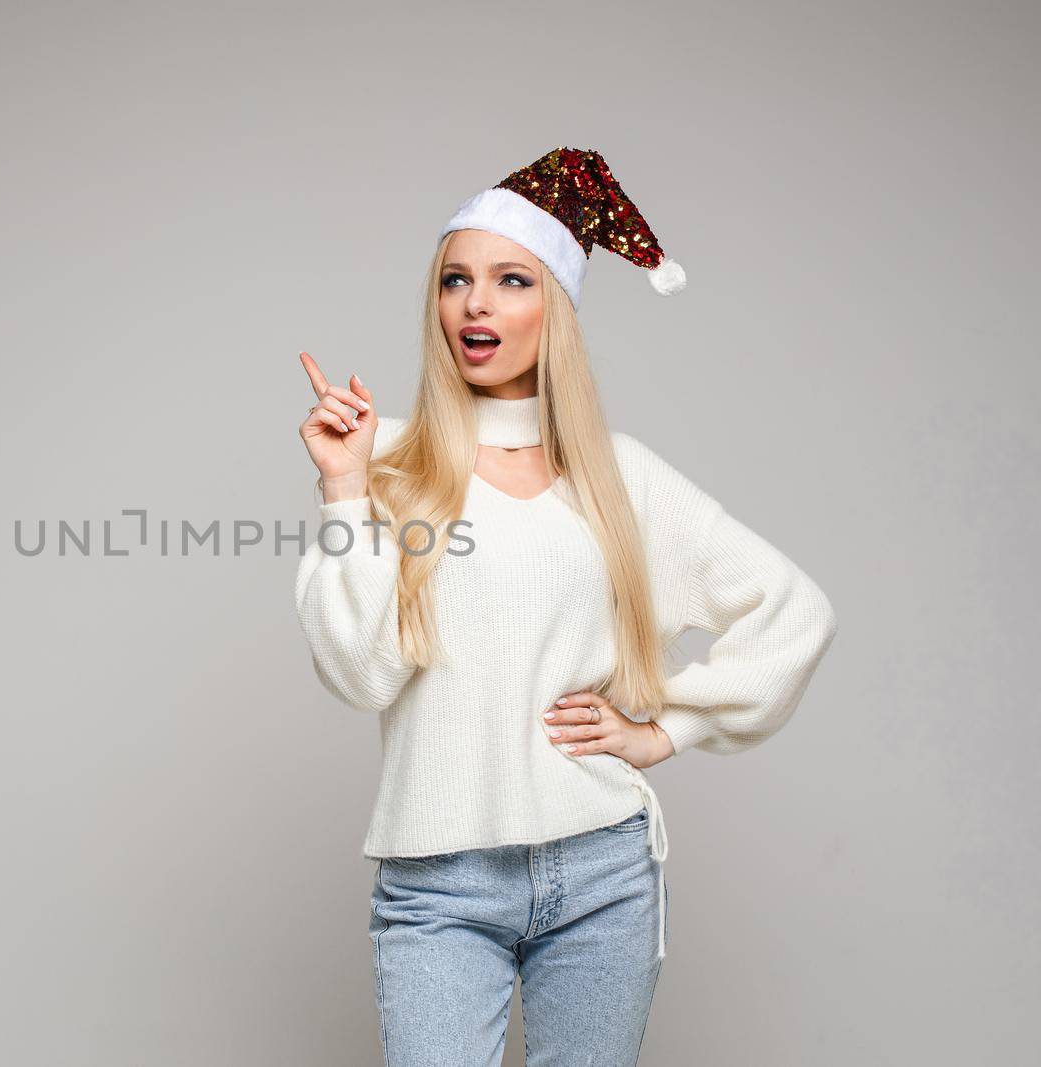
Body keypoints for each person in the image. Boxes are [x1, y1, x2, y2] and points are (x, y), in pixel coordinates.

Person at [292, 147, 838, 1067]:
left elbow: (794, 610)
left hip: (602, 871)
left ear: (557, 307)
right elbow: (359, 669)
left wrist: (665, 728)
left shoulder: (617, 476)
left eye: (511, 280)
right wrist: (346, 493)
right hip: (439, 884)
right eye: (455, 280)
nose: (476, 304)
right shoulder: (386, 463)